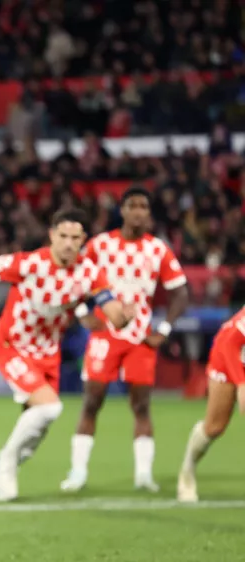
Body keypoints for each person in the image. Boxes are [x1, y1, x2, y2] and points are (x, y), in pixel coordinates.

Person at [0, 209, 133, 502]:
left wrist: (124, 315)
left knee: (37, 425)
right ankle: (3, 465)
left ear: (83, 241)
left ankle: (4, 467)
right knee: (50, 408)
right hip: (12, 344)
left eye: (75, 238)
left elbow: (114, 316)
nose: (69, 243)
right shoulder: (32, 263)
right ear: (52, 236)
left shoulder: (90, 273)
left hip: (48, 353)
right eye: (63, 236)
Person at [61, 186, 189, 493]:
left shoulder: (158, 249)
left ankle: (144, 475)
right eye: (133, 206)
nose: (139, 212)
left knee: (142, 405)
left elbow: (181, 293)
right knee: (92, 401)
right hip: (106, 333)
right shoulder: (100, 245)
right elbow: (68, 274)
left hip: (140, 338)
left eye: (144, 207)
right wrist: (81, 312)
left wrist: (165, 329)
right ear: (122, 210)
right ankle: (78, 472)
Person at [176, 306, 245, 502]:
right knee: (215, 427)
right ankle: (187, 472)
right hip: (228, 358)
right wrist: (241, 384)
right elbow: (231, 343)